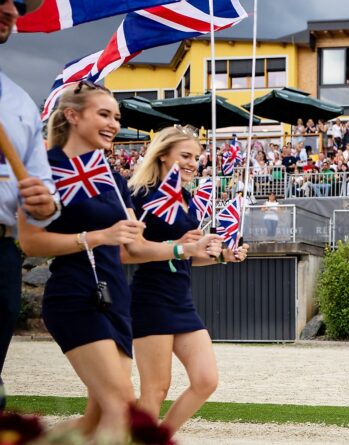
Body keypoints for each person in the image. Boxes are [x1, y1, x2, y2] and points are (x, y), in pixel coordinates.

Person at [15, 83, 220, 440]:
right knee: (123, 406)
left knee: (97, 421)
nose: (113, 123)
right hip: (76, 294)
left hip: (116, 298)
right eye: (104, 114)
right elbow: (30, 242)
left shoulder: (110, 175)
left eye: (116, 117)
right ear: (72, 115)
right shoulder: (46, 166)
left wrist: (185, 249)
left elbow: (135, 246)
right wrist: (98, 237)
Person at [128, 126, 247, 437]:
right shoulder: (143, 196)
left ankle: (158, 438)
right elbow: (128, 253)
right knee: (155, 390)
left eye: (196, 156)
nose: (194, 162)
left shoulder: (186, 198)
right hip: (151, 296)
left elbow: (188, 255)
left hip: (181, 298)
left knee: (206, 380)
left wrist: (224, 256)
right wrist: (179, 245)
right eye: (185, 155)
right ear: (163, 154)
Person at [0, 0, 61, 411]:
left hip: (2, 249)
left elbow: (44, 189)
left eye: (19, 4)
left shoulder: (19, 101)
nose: (13, 10)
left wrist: (44, 203)